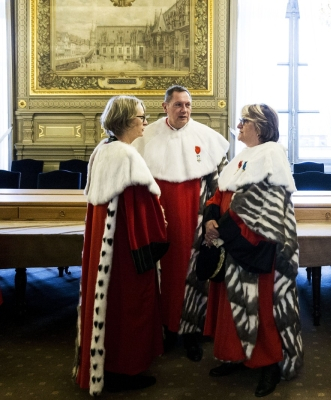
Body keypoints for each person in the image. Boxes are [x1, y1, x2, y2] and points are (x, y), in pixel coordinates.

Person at [202, 104, 303, 397]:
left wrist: (219, 229)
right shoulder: (244, 155)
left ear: (259, 127)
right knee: (232, 306)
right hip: (230, 241)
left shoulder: (272, 156)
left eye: (244, 121)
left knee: (261, 308)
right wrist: (210, 217)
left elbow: (260, 210)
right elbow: (220, 192)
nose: (239, 124)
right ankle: (237, 355)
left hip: (254, 247)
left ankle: (268, 363)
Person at [74, 96, 169, 395]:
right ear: (127, 121)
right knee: (129, 308)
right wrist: (162, 234)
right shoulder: (126, 157)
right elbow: (141, 212)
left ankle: (108, 366)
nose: (145, 120)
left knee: (108, 309)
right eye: (141, 116)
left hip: (107, 247)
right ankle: (124, 370)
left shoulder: (104, 151)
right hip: (126, 254)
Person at [132, 85, 229, 361]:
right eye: (178, 105)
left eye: (187, 105)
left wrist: (213, 221)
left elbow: (219, 188)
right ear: (165, 107)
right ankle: (163, 331)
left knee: (193, 274)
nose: (184, 110)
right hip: (158, 221)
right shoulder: (145, 137)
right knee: (161, 275)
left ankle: (191, 333)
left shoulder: (208, 138)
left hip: (195, 222)